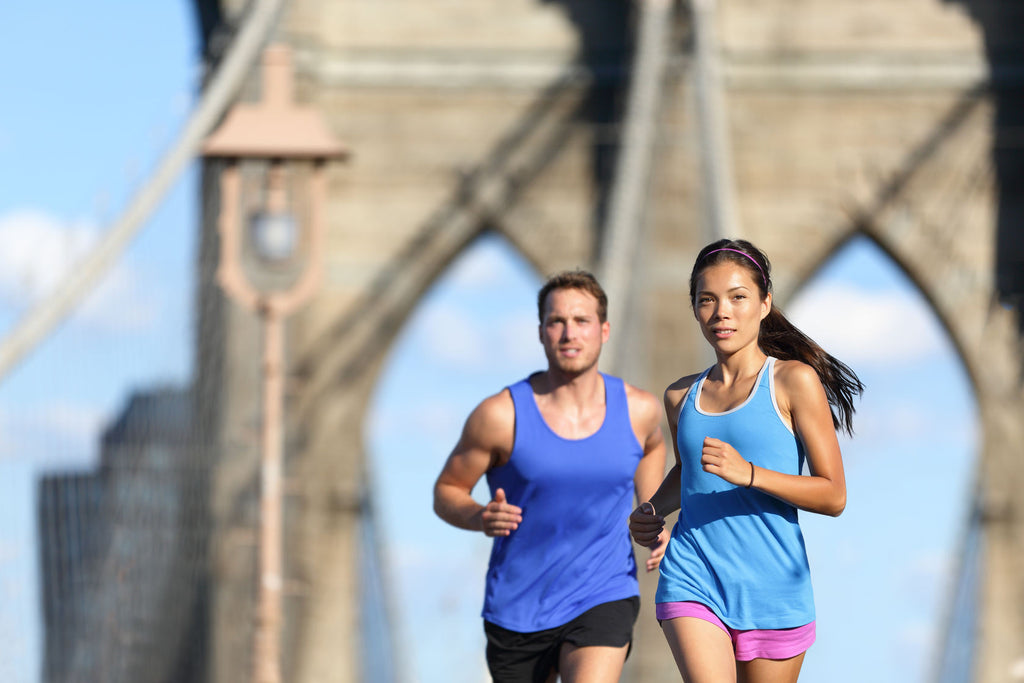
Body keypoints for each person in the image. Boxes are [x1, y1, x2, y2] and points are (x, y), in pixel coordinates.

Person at [628, 239, 863, 683]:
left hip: (773, 588)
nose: (722, 313)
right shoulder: (681, 396)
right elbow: (692, 473)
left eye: (738, 297)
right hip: (693, 573)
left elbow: (834, 495)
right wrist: (654, 509)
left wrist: (750, 474)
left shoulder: (794, 381)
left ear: (764, 303)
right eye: (707, 300)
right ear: (695, 309)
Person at [433, 270, 668, 683]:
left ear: (604, 330)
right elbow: (447, 490)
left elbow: (653, 446)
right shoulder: (499, 416)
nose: (568, 333)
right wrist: (478, 517)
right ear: (541, 332)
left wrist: (651, 510)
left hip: (604, 591)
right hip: (518, 608)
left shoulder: (638, 410)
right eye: (556, 322)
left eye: (581, 321)